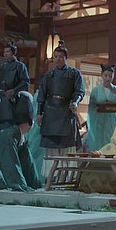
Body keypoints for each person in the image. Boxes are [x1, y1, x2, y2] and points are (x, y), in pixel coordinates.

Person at [37, 42, 85, 173]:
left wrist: (75, 102)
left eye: (61, 57)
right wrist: (39, 113)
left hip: (66, 111)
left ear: (66, 58)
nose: (58, 59)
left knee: (67, 146)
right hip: (50, 112)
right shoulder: (49, 75)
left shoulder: (74, 74)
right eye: (56, 56)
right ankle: (50, 175)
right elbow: (41, 95)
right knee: (51, 148)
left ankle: (67, 175)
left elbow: (79, 91)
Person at [0, 41, 30, 133]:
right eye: (4, 52)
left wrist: (14, 90)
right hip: (1, 101)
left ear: (14, 53)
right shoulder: (2, 68)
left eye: (8, 51)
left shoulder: (20, 66)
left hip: (13, 102)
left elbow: (25, 82)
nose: (5, 54)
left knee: (10, 130)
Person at [86, 64, 116, 151]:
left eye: (110, 76)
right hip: (98, 120)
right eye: (106, 76)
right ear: (101, 75)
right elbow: (91, 107)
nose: (108, 78)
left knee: (112, 140)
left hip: (112, 119)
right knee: (98, 143)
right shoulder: (95, 90)